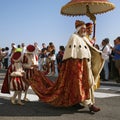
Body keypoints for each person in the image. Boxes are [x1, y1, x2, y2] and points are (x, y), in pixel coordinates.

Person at [27, 20, 104, 113]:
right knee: (81, 86)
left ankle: (79, 102)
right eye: (83, 28)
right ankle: (90, 105)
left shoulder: (84, 38)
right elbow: (72, 55)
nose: (85, 30)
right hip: (78, 67)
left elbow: (91, 50)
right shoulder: (74, 37)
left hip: (86, 66)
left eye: (85, 29)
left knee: (87, 84)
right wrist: (76, 67)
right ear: (79, 29)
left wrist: (99, 53)